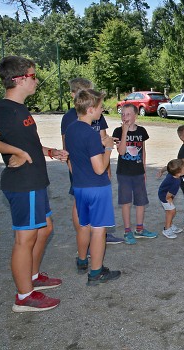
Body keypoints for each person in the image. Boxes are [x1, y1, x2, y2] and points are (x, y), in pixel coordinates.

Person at [0, 56, 67, 312]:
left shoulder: (20, 109)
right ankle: (23, 296)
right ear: (18, 80)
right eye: (32, 75)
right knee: (25, 239)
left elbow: (27, 144)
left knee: (45, 229)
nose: (36, 79)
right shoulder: (6, 110)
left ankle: (32, 276)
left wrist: (49, 151)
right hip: (22, 184)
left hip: (35, 180)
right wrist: (14, 153)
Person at [65, 88, 121, 286]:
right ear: (90, 109)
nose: (102, 111)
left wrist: (100, 143)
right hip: (97, 188)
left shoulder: (71, 129)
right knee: (99, 230)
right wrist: (107, 148)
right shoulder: (90, 133)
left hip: (79, 187)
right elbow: (99, 168)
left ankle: (82, 262)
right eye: (99, 107)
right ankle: (96, 272)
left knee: (84, 226)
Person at [61, 78, 123, 245]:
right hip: (86, 173)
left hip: (98, 166)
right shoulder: (70, 120)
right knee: (84, 214)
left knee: (95, 221)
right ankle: (89, 238)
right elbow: (67, 149)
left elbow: (103, 138)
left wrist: (106, 164)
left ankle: (95, 238)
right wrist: (74, 172)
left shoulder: (96, 117)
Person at [112, 104, 157, 244]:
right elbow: (121, 151)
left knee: (141, 201)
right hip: (124, 173)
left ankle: (139, 229)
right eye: (122, 114)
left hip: (138, 172)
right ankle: (127, 231)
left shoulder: (142, 131)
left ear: (135, 115)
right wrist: (125, 131)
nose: (125, 117)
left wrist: (144, 169)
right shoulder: (118, 131)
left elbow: (142, 151)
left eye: (128, 114)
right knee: (126, 202)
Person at [157, 159, 184, 238]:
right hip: (165, 196)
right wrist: (168, 199)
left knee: (169, 211)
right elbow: (169, 194)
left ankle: (170, 224)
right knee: (172, 211)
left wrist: (161, 171)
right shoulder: (176, 182)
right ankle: (167, 229)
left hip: (163, 192)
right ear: (179, 172)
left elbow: (166, 168)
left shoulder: (171, 171)